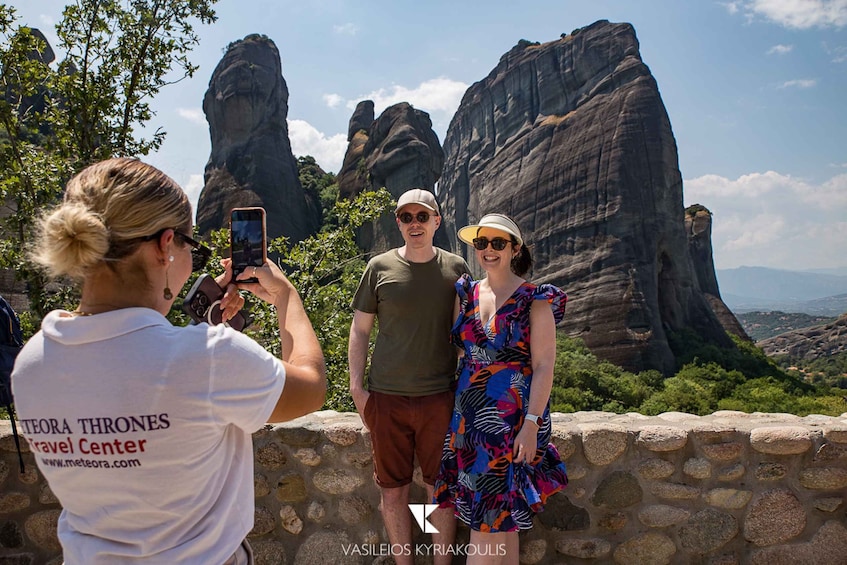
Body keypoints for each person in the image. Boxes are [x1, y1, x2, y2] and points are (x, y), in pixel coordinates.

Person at [11, 157, 326, 564]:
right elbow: (311, 385)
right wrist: (286, 296)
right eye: (191, 247)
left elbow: (130, 355)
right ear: (165, 245)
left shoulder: (32, 362)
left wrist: (206, 325)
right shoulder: (208, 359)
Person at [433, 213, 568, 564]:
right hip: (469, 426)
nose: (488, 250)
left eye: (498, 243)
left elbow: (544, 367)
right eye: (481, 243)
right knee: (501, 526)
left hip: (512, 424)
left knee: (488, 523)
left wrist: (532, 424)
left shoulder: (535, 300)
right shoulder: (465, 293)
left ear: (514, 248)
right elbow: (462, 352)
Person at [348, 188, 470, 564]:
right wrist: (356, 388)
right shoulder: (379, 268)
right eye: (406, 217)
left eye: (422, 216)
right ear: (398, 222)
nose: (414, 224)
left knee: (440, 491)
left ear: (437, 220)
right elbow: (360, 330)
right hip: (386, 398)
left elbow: (465, 335)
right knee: (393, 492)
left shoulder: (456, 269)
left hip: (439, 398)